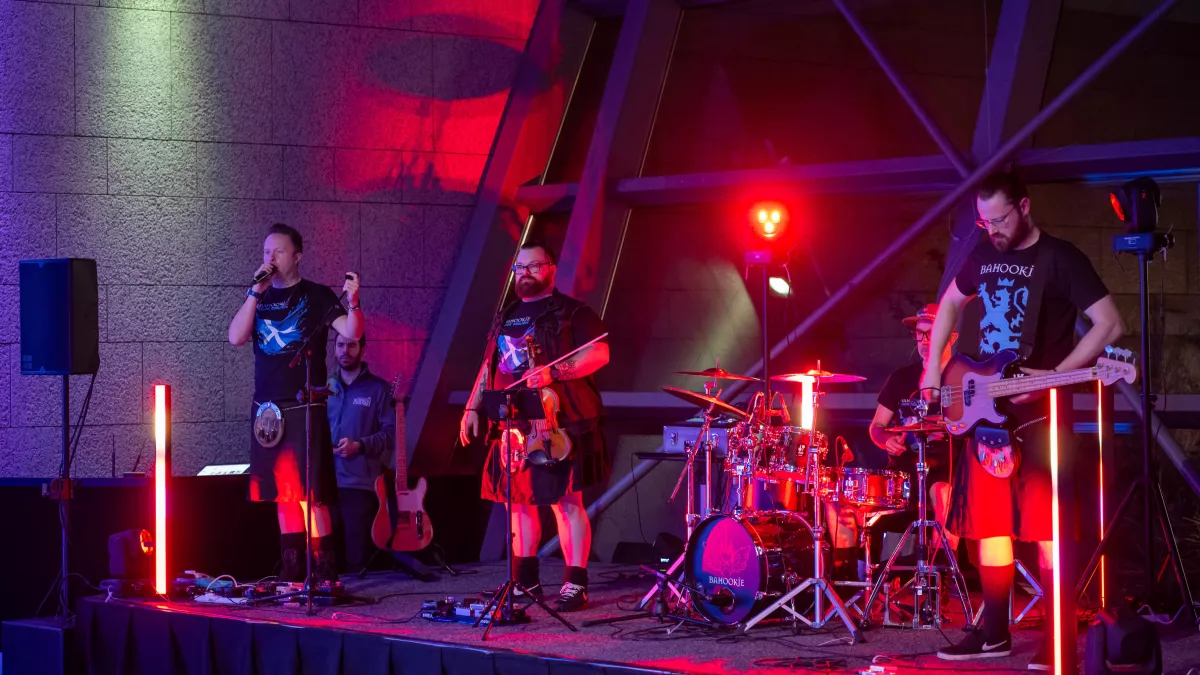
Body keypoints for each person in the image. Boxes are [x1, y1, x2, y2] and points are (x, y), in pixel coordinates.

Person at [920, 172, 1124, 668]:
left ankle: (1058, 640)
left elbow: (1111, 324)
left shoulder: (1060, 258)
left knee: (1045, 529)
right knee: (990, 526)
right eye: (983, 220)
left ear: (1025, 206)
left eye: (1000, 219)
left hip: (1039, 415)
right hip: (984, 408)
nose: (992, 229)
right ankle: (994, 635)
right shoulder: (984, 253)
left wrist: (1056, 373)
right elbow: (950, 302)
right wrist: (932, 366)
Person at [458, 240, 611, 612]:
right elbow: (490, 363)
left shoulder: (573, 311)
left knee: (566, 503)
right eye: (519, 268)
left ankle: (576, 584)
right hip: (513, 423)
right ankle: (526, 583)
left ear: (551, 268)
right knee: (519, 506)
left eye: (533, 267)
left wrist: (553, 372)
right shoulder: (506, 313)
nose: (524, 273)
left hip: (561, 420)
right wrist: (472, 406)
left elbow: (600, 353)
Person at [228, 223, 364, 584]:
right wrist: (253, 293)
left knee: (311, 495)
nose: (270, 258)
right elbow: (236, 337)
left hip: (304, 405)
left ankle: (325, 577)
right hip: (267, 412)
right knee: (282, 497)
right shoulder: (259, 297)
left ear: (297, 256)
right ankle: (292, 578)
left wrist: (354, 302)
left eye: (279, 252)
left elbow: (351, 332)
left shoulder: (317, 295)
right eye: (266, 252)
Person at [871, 303, 959, 556]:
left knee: (944, 494)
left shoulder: (964, 375)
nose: (923, 341)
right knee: (843, 505)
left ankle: (939, 573)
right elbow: (877, 426)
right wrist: (886, 440)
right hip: (903, 468)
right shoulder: (900, 378)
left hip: (946, 466)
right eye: (919, 334)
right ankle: (866, 576)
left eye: (931, 334)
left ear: (952, 337)